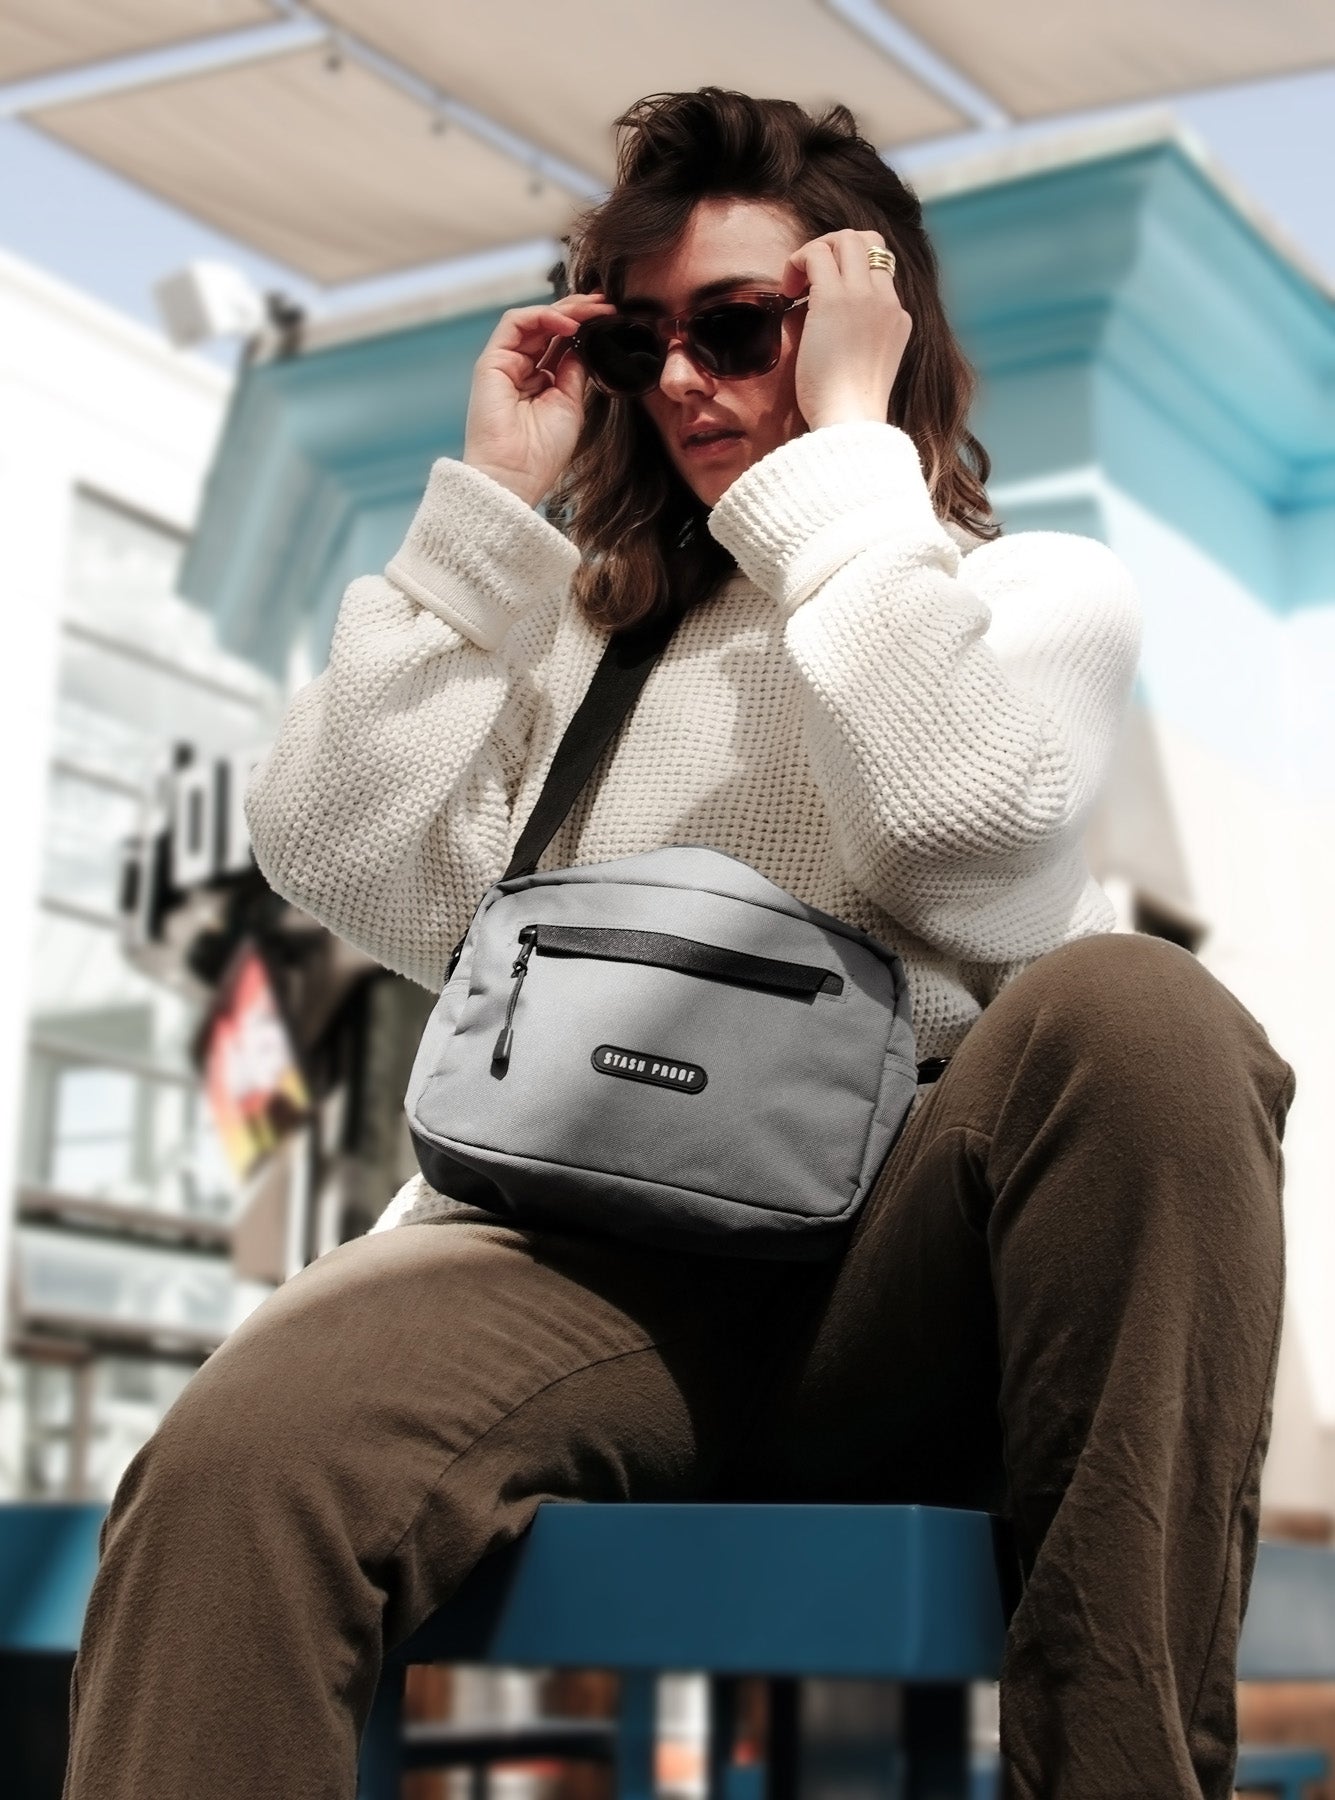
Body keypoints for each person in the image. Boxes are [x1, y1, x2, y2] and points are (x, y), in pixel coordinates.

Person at [61, 89, 1295, 1800]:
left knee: (1141, 1014)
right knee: (237, 1459)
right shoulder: (577, 639)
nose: (694, 379)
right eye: (652, 342)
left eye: (741, 325)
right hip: (582, 1269)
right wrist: (495, 507)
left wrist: (849, 461)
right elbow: (336, 846)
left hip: (894, 1282)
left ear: (871, 322)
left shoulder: (1019, 599)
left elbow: (960, 842)